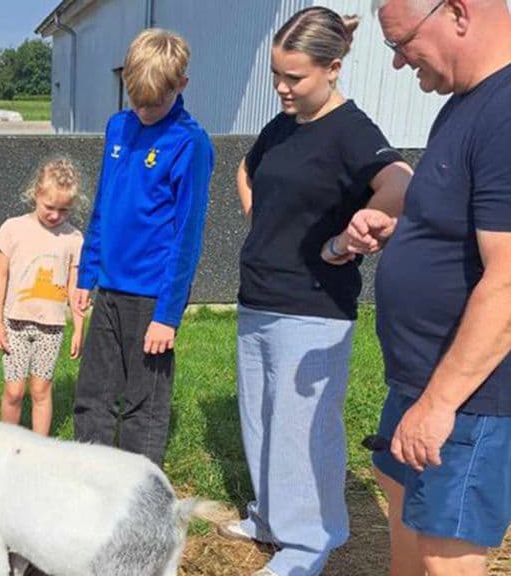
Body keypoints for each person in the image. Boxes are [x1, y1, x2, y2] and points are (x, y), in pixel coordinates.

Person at [220, 7, 414, 576]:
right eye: (277, 75)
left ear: (332, 69)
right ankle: (271, 518)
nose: (281, 87)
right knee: (259, 419)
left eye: (294, 78)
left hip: (313, 307)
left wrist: (355, 232)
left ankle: (309, 543)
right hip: (258, 296)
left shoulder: (352, 129)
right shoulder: (285, 122)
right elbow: (246, 168)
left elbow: (400, 181)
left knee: (304, 429)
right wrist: (263, 225)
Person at [371, 1, 511, 574]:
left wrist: (439, 403)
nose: (402, 64)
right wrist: (403, 230)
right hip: (423, 377)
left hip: (468, 395)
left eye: (403, 43)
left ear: (456, 12)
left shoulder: (505, 113)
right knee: (403, 507)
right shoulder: (463, 105)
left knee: (444, 557)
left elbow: (508, 277)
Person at [72, 28, 213, 467]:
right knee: (92, 392)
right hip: (109, 288)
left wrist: (166, 316)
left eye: (155, 102)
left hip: (151, 297)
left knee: (143, 403)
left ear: (181, 86)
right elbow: (103, 208)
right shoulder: (118, 127)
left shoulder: (190, 144)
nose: (145, 111)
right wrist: (86, 274)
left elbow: (187, 237)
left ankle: (139, 491)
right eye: (137, 100)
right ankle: (90, 478)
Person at [0, 158, 85, 435]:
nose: (55, 215)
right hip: (14, 323)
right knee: (14, 390)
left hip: (51, 327)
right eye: (49, 207)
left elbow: (74, 287)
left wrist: (79, 327)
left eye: (64, 210)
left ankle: (39, 448)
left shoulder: (73, 238)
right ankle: (7, 443)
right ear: (36, 194)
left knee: (41, 389)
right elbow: (0, 276)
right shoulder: (12, 228)